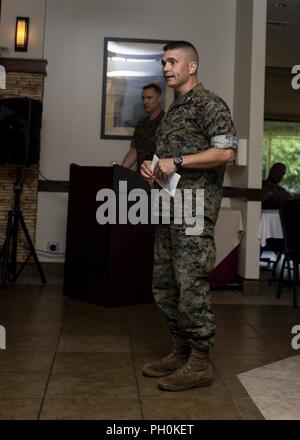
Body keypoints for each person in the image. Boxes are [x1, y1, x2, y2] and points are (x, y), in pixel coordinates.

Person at [140, 41, 238, 391]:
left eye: (173, 61)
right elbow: (169, 161)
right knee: (164, 285)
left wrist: (177, 162)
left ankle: (200, 363)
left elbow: (226, 152)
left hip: (194, 211)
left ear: (192, 66)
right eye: (163, 62)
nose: (166, 67)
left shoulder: (209, 104)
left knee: (190, 285)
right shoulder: (172, 112)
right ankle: (180, 350)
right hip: (167, 208)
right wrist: (154, 168)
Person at [121, 83, 164, 173]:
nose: (145, 102)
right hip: (141, 177)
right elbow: (135, 149)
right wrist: (120, 171)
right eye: (143, 98)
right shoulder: (141, 124)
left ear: (159, 98)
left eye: (149, 98)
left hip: (160, 178)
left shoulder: (167, 123)